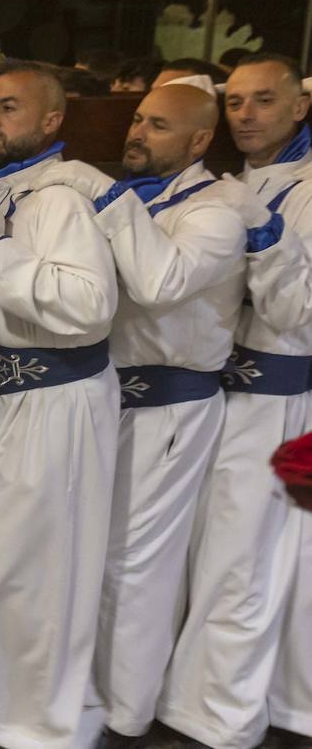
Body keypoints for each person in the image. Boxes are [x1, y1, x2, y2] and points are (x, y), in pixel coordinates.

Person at [39, 80, 248, 746]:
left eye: (158, 125)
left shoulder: (218, 210)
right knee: (92, 559)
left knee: (136, 568)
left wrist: (106, 198)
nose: (138, 133)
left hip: (169, 407)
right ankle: (83, 702)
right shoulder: (138, 197)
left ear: (198, 141)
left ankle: (123, 716)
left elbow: (159, 283)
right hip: (107, 398)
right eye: (136, 119)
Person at [0, 61, 120, 749]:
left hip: (58, 395)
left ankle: (45, 725)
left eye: (11, 108)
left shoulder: (56, 200)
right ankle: (7, 714)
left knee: (46, 568)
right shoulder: (11, 192)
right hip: (24, 396)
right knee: (11, 563)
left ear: (53, 121)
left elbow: (90, 304)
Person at [158, 53, 312, 749]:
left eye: (264, 101)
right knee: (212, 558)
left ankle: (219, 720)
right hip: (219, 394)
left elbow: (301, 313)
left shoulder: (304, 188)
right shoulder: (236, 182)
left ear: (300, 106)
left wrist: (265, 239)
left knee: (244, 562)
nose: (245, 115)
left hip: (273, 398)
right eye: (236, 102)